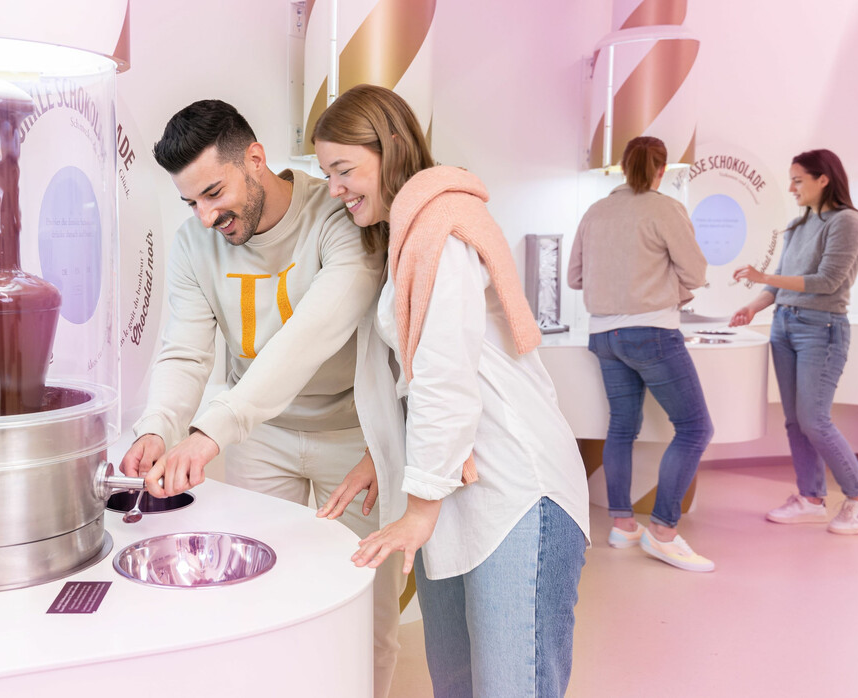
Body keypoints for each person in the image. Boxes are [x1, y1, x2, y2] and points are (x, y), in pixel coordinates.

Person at [312, 84, 590, 697]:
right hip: (455, 490)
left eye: (344, 170)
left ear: (390, 148)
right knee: (457, 685)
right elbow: (416, 379)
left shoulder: (442, 228)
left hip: (516, 489)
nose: (335, 188)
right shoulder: (407, 234)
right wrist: (381, 456)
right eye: (327, 174)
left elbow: (445, 378)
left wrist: (418, 509)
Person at [119, 99, 403, 697]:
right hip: (261, 439)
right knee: (257, 602)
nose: (205, 216)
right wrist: (158, 427)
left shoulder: (337, 216)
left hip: (355, 441)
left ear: (255, 158)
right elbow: (185, 352)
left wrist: (210, 432)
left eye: (214, 192)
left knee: (366, 612)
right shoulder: (193, 245)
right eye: (191, 202)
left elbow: (311, 334)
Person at [567, 136, 716, 573]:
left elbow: (575, 277)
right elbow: (697, 272)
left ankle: (623, 525)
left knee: (621, 427)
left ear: (622, 166)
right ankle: (663, 532)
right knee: (695, 428)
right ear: (660, 170)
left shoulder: (596, 211)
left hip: (604, 335)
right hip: (651, 331)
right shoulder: (665, 209)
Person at [730, 148, 858, 534]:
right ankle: (811, 499)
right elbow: (781, 284)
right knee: (796, 421)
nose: (792, 188)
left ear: (823, 179)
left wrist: (765, 278)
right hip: (784, 325)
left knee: (814, 419)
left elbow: (827, 282)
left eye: (798, 180)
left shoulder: (848, 222)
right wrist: (753, 306)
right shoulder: (798, 226)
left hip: (821, 328)